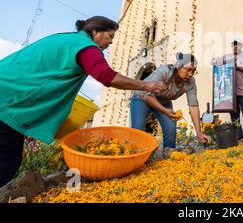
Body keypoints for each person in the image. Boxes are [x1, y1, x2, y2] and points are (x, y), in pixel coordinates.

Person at [0, 16, 166, 187]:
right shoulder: (87, 47)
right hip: (9, 99)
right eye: (110, 36)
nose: (110, 42)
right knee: (6, 161)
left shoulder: (67, 38)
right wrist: (146, 85)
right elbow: (107, 77)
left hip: (7, 90)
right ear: (95, 31)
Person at [130, 53, 212, 155]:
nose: (191, 74)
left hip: (163, 101)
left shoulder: (190, 82)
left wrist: (199, 132)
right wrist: (165, 111)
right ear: (179, 67)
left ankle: (169, 153)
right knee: (138, 130)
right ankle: (136, 156)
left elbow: (193, 105)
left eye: (194, 70)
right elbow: (148, 95)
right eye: (188, 69)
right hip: (142, 97)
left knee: (170, 126)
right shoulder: (165, 72)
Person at [211, 39, 243, 141]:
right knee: (235, 119)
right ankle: (239, 139)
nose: (235, 47)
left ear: (241, 46)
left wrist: (237, 66)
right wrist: (227, 62)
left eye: (238, 45)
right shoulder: (227, 57)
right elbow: (213, 62)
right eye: (233, 45)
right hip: (230, 93)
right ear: (231, 46)